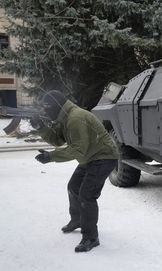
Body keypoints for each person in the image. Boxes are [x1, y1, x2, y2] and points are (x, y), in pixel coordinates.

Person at [31, 90, 119, 252]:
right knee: (73, 187)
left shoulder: (75, 118)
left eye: (47, 109)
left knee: (87, 195)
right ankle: (77, 219)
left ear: (56, 107)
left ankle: (91, 237)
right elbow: (58, 140)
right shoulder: (64, 116)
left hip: (104, 156)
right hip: (90, 157)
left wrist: (50, 157)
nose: (46, 112)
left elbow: (78, 149)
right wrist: (41, 128)